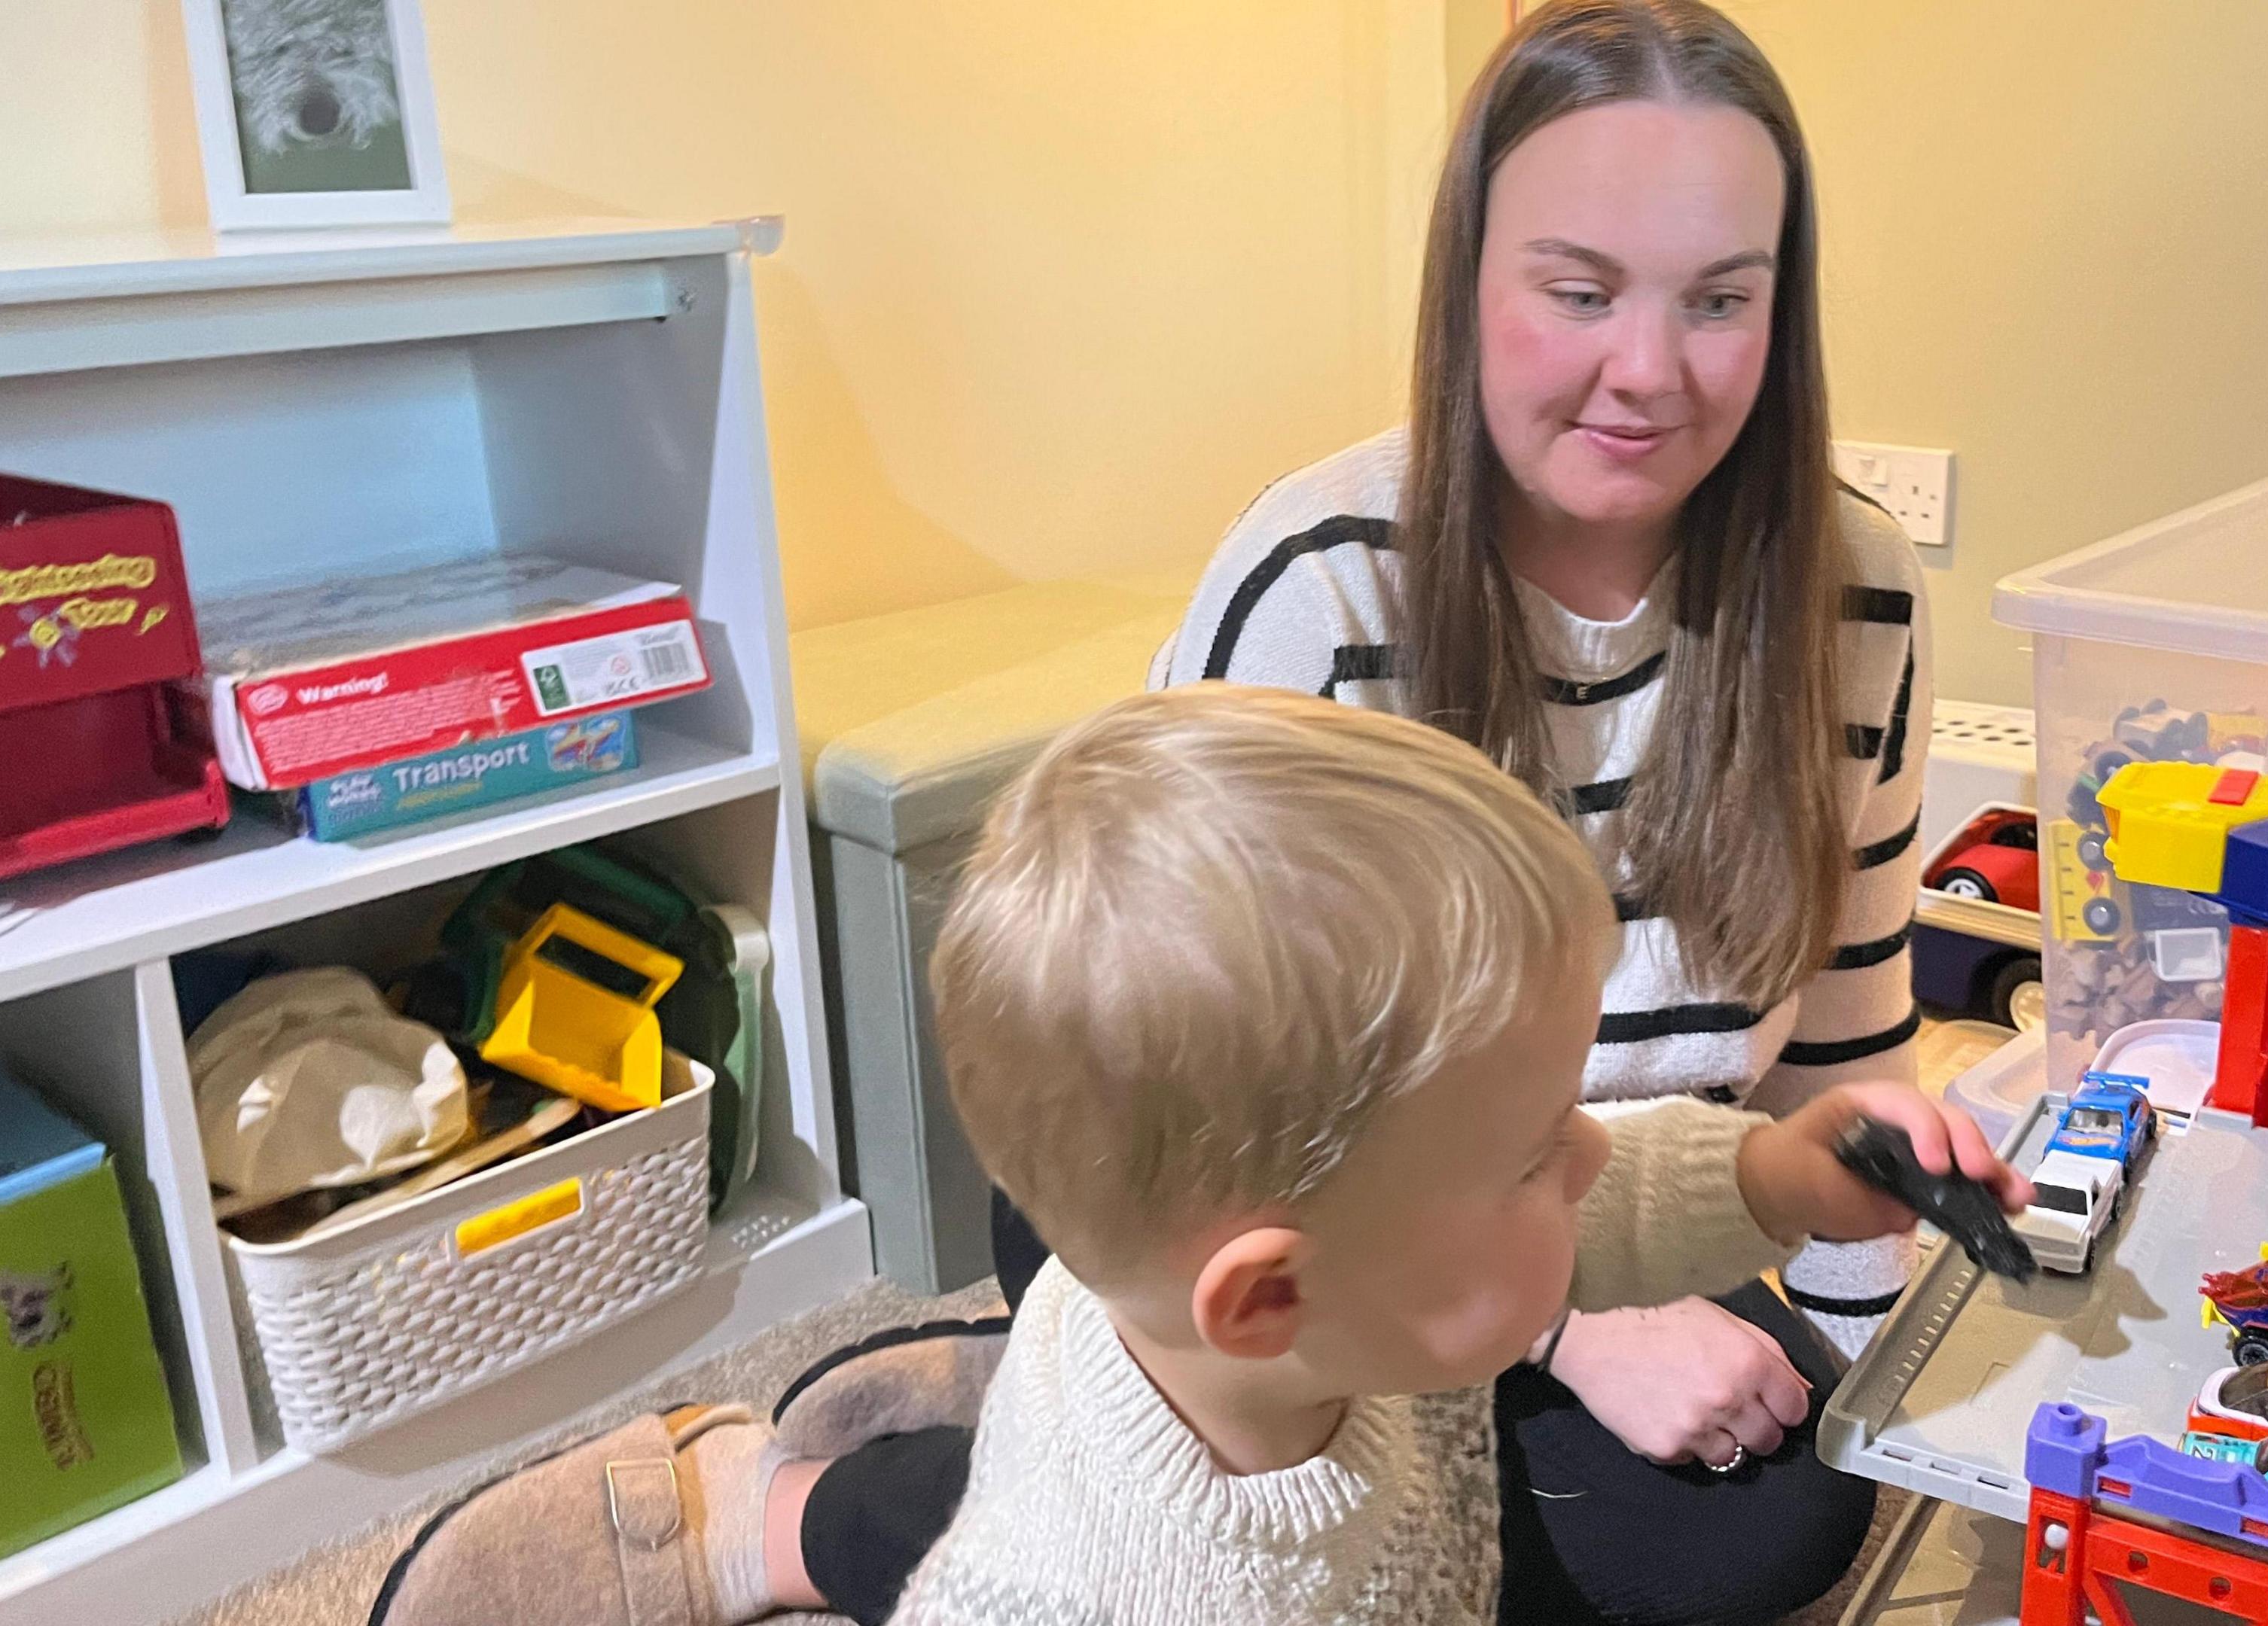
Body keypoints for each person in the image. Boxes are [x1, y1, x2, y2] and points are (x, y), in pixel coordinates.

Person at [380, 2, 1939, 1620]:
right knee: (1283, 1561)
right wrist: (1574, 1327)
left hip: (1550, 1202)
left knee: (1778, 1520)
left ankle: (1024, 1399)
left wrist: (1853, 1341)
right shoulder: (1318, 580)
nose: (1648, 371)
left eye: (1721, 303)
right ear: (1471, 284)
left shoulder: (1859, 589)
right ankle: (810, 1505)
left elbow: (1845, 1032)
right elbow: (1186, 1083)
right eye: (1578, 293)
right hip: (1288, 1197)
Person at [376, 689, 2018, 1626]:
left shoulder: (1377, 1295)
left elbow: (1593, 1207)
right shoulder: (1072, 1604)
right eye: (1527, 1155)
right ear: (1269, 1293)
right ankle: (755, 1510)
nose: (1590, 1155)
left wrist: (1779, 1183)